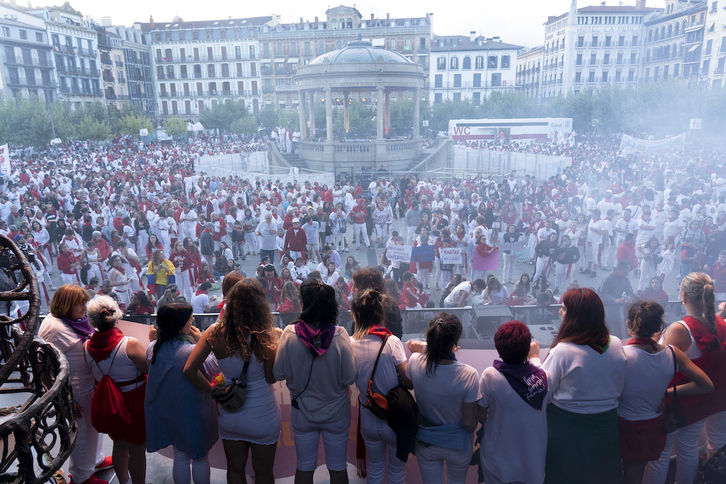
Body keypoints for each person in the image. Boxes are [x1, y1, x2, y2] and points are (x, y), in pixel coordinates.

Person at [185, 280, 281, 484]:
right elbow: (271, 377)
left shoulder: (214, 331)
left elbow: (189, 370)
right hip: (262, 415)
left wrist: (213, 391)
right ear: (260, 305)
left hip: (230, 413)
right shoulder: (266, 337)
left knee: (235, 470)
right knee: (263, 473)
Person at [529, 288, 627, 484]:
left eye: (564, 309)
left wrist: (534, 360)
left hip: (567, 428)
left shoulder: (563, 351)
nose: (559, 312)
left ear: (575, 316)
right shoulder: (616, 344)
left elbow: (543, 392)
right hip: (607, 426)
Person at [644, 273, 726, 484]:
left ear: (683, 296)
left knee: (660, 455)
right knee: (688, 447)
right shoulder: (719, 323)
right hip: (703, 401)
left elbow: (659, 364)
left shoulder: (681, 329)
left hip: (677, 402)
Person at [619, 301, 713, 484]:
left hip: (625, 426)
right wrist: (668, 393)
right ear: (658, 325)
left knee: (628, 474)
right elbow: (707, 385)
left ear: (629, 325)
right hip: (654, 426)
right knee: (643, 470)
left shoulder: (621, 355)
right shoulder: (672, 352)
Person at [273, 279, 356, 484]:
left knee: (304, 467)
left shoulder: (289, 334)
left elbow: (278, 373)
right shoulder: (340, 334)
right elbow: (349, 377)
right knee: (338, 467)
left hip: (302, 412)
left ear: (302, 303)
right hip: (336, 413)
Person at [38, 285, 110, 484]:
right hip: (75, 390)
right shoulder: (55, 328)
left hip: (87, 384)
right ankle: (81, 477)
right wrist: (63, 397)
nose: (84, 307)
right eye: (80, 304)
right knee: (84, 432)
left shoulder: (73, 320)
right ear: (66, 305)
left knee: (93, 426)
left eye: (85, 302)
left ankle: (96, 460)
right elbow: (42, 366)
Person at [350, 288, 413, 484]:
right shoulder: (391, 341)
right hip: (394, 417)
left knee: (375, 472)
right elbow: (409, 382)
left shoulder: (350, 343)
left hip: (368, 417)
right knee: (397, 474)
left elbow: (349, 378)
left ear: (357, 315)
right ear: (380, 314)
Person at [406, 314, 479, 484]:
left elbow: (424, 360)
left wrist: (419, 351)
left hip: (426, 443)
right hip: (457, 446)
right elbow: (469, 424)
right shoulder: (469, 374)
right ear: (455, 342)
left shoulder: (415, 361)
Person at [477, 321, 552, 484]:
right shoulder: (545, 377)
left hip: (497, 457)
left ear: (498, 348)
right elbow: (535, 375)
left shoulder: (490, 375)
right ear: (527, 348)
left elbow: (481, 415)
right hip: (533, 461)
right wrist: (534, 358)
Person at [84, 296, 148, 484]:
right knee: (137, 449)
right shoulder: (131, 344)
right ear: (116, 315)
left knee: (119, 445)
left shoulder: (86, 346)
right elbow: (147, 369)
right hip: (135, 400)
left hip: (107, 402)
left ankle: (123, 482)